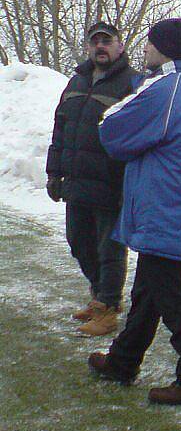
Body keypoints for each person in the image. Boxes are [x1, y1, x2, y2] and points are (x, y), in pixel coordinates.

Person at [86, 18, 181, 405]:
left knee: (174, 295)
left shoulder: (164, 87)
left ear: (163, 47)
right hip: (179, 204)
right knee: (149, 290)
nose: (143, 49)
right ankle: (124, 361)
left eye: (149, 43)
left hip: (164, 208)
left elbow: (112, 128)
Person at [45, 22, 139, 336]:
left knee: (109, 251)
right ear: (88, 47)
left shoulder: (132, 83)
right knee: (78, 243)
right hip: (76, 181)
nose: (101, 47)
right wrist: (54, 172)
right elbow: (60, 129)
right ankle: (100, 297)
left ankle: (108, 309)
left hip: (111, 183)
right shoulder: (77, 81)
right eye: (95, 42)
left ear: (120, 46)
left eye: (107, 41)